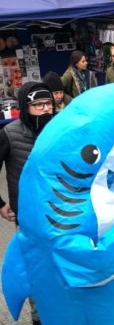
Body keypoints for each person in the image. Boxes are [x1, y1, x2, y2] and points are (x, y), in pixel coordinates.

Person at [0, 81, 54, 325]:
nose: (45, 109)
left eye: (48, 103)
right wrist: (1, 204)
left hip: (63, 217)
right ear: (25, 106)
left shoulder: (60, 129)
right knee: (37, 276)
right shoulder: (9, 134)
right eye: (38, 104)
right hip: (30, 222)